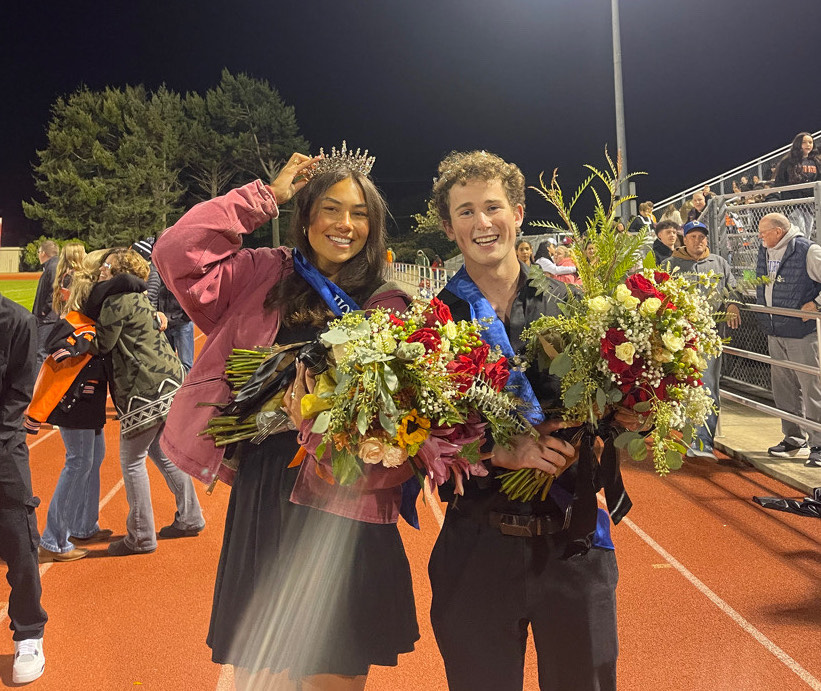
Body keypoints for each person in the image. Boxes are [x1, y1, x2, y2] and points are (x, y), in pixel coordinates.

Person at [153, 149, 419, 690]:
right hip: (268, 488)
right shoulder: (262, 273)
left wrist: (319, 419)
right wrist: (265, 196)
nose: (345, 225)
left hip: (344, 496)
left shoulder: (388, 303)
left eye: (359, 213)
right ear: (306, 216)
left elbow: (391, 421)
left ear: (374, 225)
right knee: (258, 670)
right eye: (330, 208)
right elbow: (177, 251)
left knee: (333, 668)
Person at [428, 150, 628, 691]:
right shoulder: (429, 325)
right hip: (477, 544)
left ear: (517, 213)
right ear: (448, 226)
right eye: (465, 211)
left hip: (573, 543)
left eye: (492, 207)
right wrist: (493, 450)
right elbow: (416, 444)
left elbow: (609, 419)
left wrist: (634, 410)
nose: (482, 223)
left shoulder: (577, 308)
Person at [84, 248, 205, 556]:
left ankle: (141, 536)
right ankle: (190, 517)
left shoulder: (115, 302)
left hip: (142, 391)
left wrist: (73, 337)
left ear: (117, 271)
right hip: (168, 382)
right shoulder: (140, 298)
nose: (102, 271)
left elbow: (102, 345)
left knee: (132, 461)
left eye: (106, 267)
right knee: (162, 454)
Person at [27, 250, 111, 562]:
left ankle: (83, 524)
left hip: (87, 398)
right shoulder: (78, 315)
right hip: (74, 400)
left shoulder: (84, 308)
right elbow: (60, 345)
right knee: (78, 462)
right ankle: (53, 540)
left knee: (93, 457)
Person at [0, 291, 48, 684]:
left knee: (19, 541)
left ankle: (29, 633)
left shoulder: (17, 322)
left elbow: (18, 395)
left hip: (2, 449)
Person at [668, 221, 741, 459]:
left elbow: (734, 288)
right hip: (678, 338)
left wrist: (732, 304)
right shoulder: (670, 264)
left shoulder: (719, 262)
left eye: (701, 236)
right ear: (684, 239)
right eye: (693, 236)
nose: (698, 240)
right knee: (679, 388)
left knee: (708, 387)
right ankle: (682, 433)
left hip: (710, 338)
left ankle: (703, 442)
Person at [756, 212, 821, 467]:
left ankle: (819, 443)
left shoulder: (808, 250)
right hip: (775, 329)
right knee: (783, 389)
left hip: (802, 332)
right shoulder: (765, 249)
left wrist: (816, 304)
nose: (759, 237)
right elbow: (759, 280)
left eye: (764, 232)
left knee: (812, 388)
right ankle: (793, 438)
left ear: (779, 231)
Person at [136, 238, 196, 373]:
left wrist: (186, 316)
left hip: (182, 323)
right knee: (167, 362)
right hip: (165, 323)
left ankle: (186, 391)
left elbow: (191, 294)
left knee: (186, 363)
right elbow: (154, 295)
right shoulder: (157, 270)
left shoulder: (185, 269)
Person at [774, 132, 820, 238]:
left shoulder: (815, 162)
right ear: (798, 144)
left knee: (807, 233)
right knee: (799, 232)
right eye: (804, 142)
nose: (808, 145)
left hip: (809, 204)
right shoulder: (788, 161)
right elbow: (779, 182)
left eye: (810, 142)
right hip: (793, 204)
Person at [31, 240, 59, 370]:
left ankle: (36, 388)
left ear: (43, 253)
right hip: (50, 316)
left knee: (40, 353)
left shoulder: (52, 267)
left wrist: (43, 310)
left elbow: (54, 291)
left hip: (48, 318)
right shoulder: (54, 265)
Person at [51, 242, 86, 317]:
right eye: (84, 252)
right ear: (77, 256)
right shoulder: (74, 277)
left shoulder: (64, 276)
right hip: (74, 318)